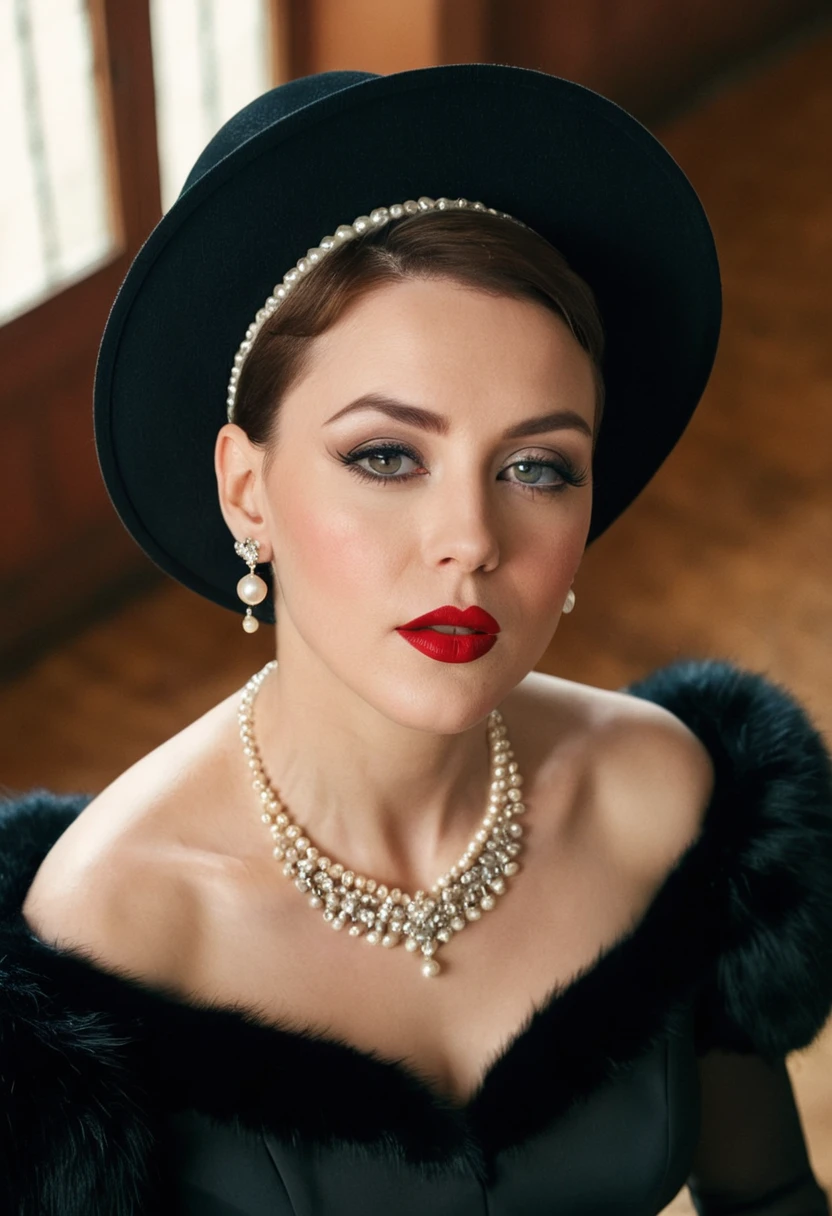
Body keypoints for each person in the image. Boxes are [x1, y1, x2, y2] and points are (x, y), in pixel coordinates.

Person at [1, 63, 832, 1216]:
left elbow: (769, 1197)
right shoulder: (108, 945)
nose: (470, 540)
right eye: (387, 456)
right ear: (247, 491)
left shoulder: (669, 797)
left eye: (536, 467)